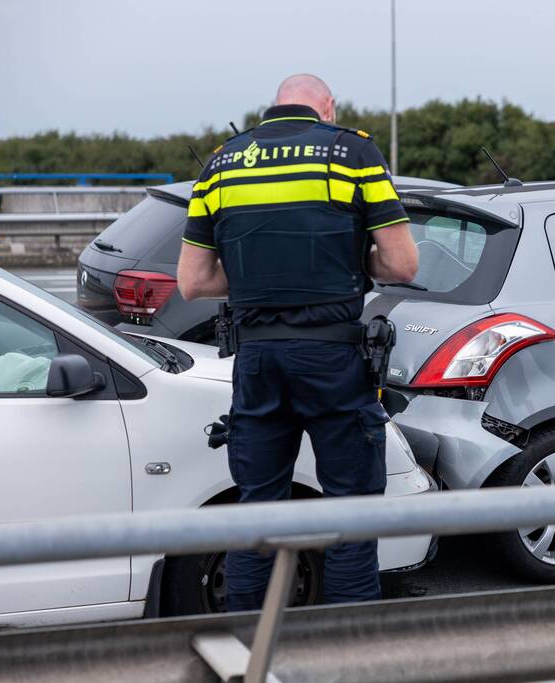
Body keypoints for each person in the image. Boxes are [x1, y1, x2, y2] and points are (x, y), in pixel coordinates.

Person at [177, 73, 418, 609]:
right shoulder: (353, 153)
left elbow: (192, 282)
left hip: (257, 360)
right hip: (333, 358)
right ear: (327, 107)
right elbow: (402, 265)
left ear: (275, 106)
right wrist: (344, 265)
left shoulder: (222, 163)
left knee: (259, 512)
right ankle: (347, 642)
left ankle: (245, 638)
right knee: (352, 513)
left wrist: (260, 277)